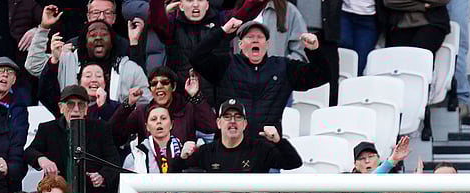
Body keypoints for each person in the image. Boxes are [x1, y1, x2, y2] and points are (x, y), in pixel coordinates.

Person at [191, 17, 329, 134]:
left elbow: (322, 75)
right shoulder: (225, 64)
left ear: (267, 44)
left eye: (260, 37)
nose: (255, 40)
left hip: (267, 148)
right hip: (229, 146)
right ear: (240, 44)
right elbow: (196, 57)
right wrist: (222, 31)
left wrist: (314, 51)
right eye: (250, 37)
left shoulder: (283, 67)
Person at [25, 85, 121, 193]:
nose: (76, 109)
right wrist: (42, 159)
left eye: (81, 105)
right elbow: (29, 152)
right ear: (60, 107)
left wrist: (102, 175)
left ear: (87, 108)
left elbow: (114, 160)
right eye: (70, 104)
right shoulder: (48, 129)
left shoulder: (100, 129)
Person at [176, 99, 303, 174]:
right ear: (218, 123)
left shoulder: (260, 149)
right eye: (227, 117)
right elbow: (174, 173)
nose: (232, 121)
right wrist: (182, 158)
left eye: (238, 117)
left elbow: (293, 163)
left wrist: (279, 141)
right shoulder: (207, 151)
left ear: (245, 124)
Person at [110, 65, 216, 147]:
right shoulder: (142, 112)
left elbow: (211, 127)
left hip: (182, 170)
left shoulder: (187, 108)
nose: (159, 86)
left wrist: (196, 95)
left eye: (164, 82)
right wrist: (127, 104)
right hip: (150, 171)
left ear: (173, 86)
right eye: (154, 84)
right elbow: (113, 133)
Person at [0, 57, 29, 192]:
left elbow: (17, 143)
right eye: (0, 70)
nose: (5, 74)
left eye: (10, 73)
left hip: (4, 176)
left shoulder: (18, 109)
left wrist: (9, 167)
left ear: (13, 81)